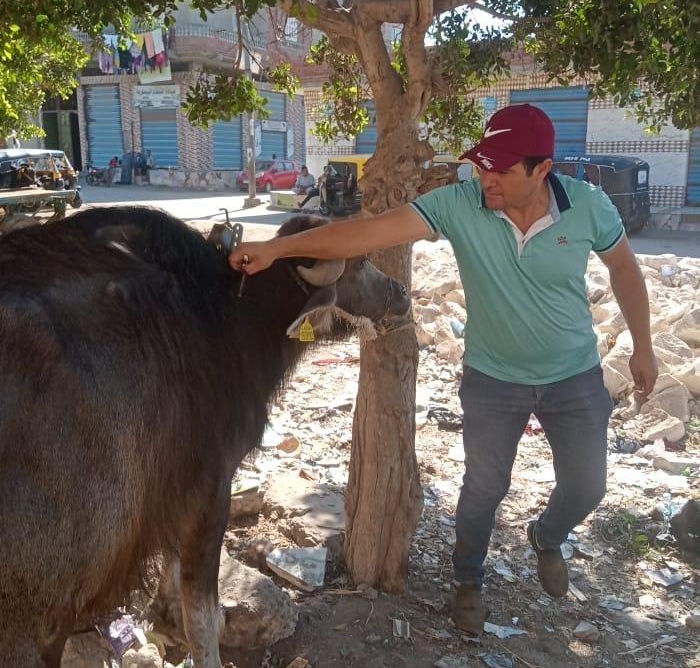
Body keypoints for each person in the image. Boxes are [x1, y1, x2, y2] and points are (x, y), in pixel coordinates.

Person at [229, 103, 658, 634]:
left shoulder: (589, 206)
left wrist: (643, 344)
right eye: (482, 166)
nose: (486, 179)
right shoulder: (460, 204)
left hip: (573, 375)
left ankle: (546, 537)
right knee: (484, 487)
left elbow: (624, 269)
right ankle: (468, 579)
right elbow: (365, 235)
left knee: (589, 486)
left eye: (501, 170)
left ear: (541, 170)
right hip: (494, 379)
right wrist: (279, 248)